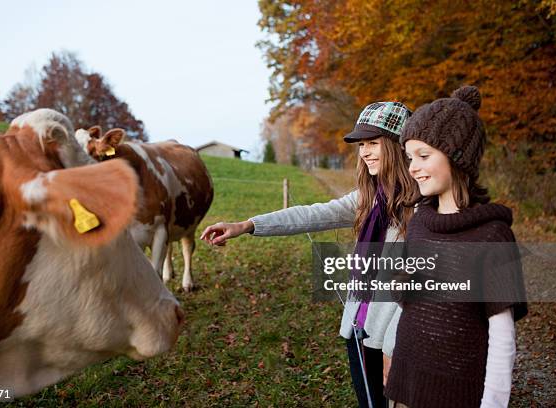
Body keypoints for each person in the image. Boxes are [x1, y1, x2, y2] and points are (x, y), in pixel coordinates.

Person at [201, 101, 416, 407]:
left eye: (373, 143)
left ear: (397, 146)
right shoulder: (370, 198)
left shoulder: (419, 210)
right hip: (358, 330)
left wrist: (394, 348)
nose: (365, 151)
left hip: (391, 343)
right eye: (361, 144)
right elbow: (312, 215)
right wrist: (247, 225)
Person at [384, 85, 528, 408]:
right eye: (409, 157)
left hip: (456, 395)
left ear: (457, 157)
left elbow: (503, 337)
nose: (412, 168)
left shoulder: (492, 237)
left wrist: (493, 403)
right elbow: (410, 305)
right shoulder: (420, 221)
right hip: (406, 386)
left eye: (424, 156)